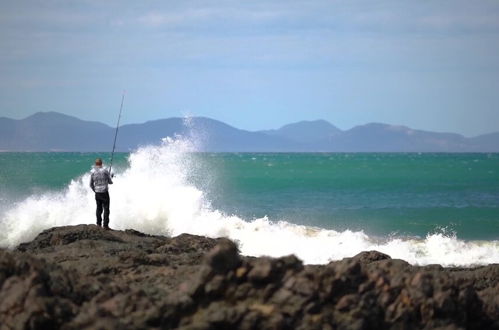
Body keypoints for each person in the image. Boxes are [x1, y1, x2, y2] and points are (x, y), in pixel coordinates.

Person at [90, 158, 113, 229]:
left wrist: (95, 190)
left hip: (97, 193)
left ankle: (98, 224)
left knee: (98, 209)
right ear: (101, 163)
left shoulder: (93, 172)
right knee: (106, 209)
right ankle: (105, 226)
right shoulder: (105, 171)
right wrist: (110, 176)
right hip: (104, 193)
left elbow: (91, 184)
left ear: (95, 164)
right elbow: (110, 182)